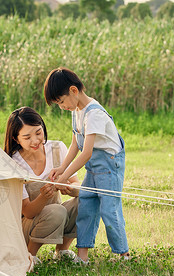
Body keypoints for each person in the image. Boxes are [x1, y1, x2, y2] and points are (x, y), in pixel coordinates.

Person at [44, 67, 130, 265]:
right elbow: (75, 144)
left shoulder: (94, 114)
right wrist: (61, 169)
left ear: (74, 90)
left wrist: (65, 178)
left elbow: (87, 152)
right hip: (93, 167)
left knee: (110, 210)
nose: (61, 107)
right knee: (86, 206)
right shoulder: (77, 111)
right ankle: (82, 257)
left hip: (109, 165)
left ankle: (124, 255)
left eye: (61, 102)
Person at [4, 106, 80, 264]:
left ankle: (62, 250)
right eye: (27, 137)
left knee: (85, 201)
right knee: (57, 211)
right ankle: (29, 256)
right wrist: (44, 196)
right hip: (25, 225)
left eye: (38, 132)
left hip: (56, 215)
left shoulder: (57, 148)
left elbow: (77, 186)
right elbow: (28, 211)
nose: (35, 141)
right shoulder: (12, 162)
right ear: (16, 139)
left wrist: (69, 188)